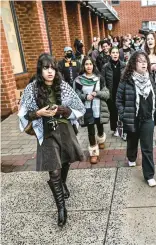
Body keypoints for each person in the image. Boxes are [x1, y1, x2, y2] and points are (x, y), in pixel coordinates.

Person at [18, 53, 86, 227]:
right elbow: (23, 115)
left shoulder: (63, 86)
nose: (50, 71)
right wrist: (38, 113)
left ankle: (63, 183)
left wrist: (62, 109)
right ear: (40, 69)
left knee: (66, 161)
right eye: (46, 68)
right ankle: (61, 209)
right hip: (46, 132)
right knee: (53, 170)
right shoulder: (31, 89)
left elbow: (78, 108)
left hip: (64, 129)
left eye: (53, 68)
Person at [116, 50, 156, 187]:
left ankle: (149, 175)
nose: (143, 64)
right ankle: (131, 157)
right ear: (133, 64)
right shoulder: (126, 80)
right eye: (140, 61)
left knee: (147, 147)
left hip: (148, 118)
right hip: (132, 117)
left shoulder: (150, 79)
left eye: (145, 61)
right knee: (132, 140)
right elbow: (118, 100)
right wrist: (124, 113)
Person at [74, 57, 110, 164]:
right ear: (83, 66)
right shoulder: (79, 80)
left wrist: (97, 93)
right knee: (90, 131)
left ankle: (101, 139)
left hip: (98, 108)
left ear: (93, 65)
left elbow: (107, 94)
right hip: (87, 109)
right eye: (86, 64)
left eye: (90, 64)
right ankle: (93, 152)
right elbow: (76, 95)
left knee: (99, 126)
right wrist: (85, 97)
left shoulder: (99, 78)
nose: (89, 66)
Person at [101, 46, 126, 138]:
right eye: (113, 53)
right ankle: (115, 129)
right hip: (111, 93)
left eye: (117, 53)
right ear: (110, 54)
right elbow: (103, 81)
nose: (115, 54)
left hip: (122, 92)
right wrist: (106, 92)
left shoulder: (124, 65)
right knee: (113, 112)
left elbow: (127, 78)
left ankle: (123, 129)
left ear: (119, 54)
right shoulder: (106, 67)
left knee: (122, 111)